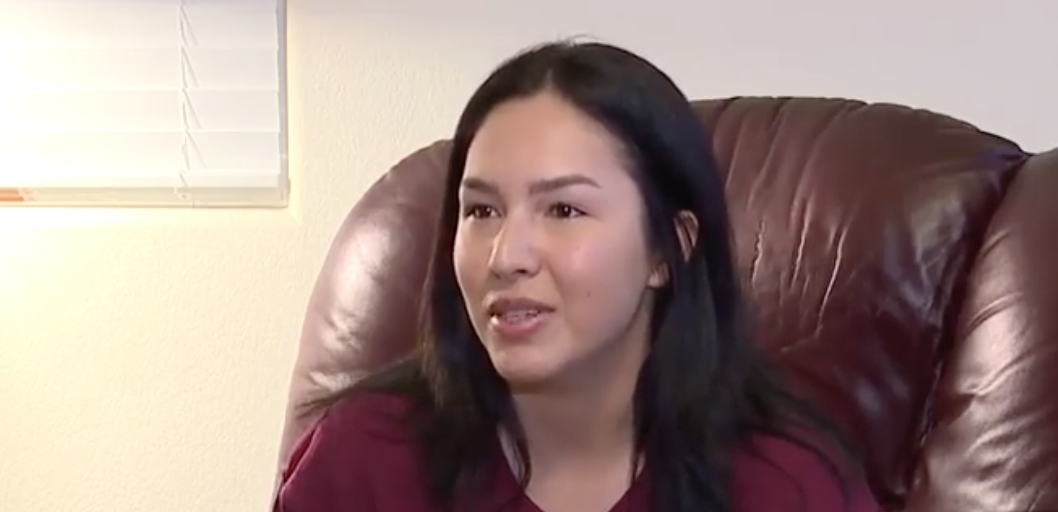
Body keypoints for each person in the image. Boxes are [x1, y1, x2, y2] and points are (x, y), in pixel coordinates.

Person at [273, 39, 882, 512]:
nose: (506, 256)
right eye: (481, 211)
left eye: (564, 210)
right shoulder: (362, 461)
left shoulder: (788, 485)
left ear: (667, 249)